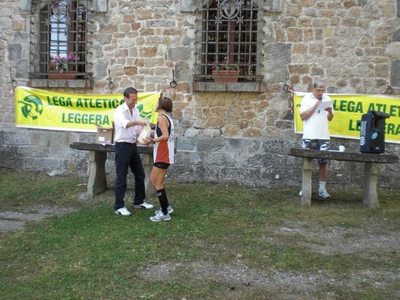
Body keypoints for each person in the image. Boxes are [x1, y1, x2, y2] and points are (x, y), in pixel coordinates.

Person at [113, 87, 154, 216]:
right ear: (125, 98)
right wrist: (138, 122)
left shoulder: (135, 110)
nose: (134, 102)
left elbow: (136, 129)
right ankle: (119, 206)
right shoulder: (119, 110)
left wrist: (144, 132)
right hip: (122, 146)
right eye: (132, 99)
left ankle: (139, 201)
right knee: (121, 178)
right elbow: (125, 124)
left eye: (136, 99)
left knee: (140, 174)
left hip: (132, 146)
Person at [299, 80, 334, 198]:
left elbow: (330, 118)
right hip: (309, 135)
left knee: (323, 163)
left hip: (323, 136)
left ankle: (322, 189)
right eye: (319, 90)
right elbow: (303, 116)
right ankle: (304, 188)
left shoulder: (327, 98)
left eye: (323, 91)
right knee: (306, 162)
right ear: (313, 89)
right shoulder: (306, 98)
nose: (321, 93)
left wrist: (330, 112)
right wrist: (315, 106)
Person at [143, 96, 175, 222]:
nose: (156, 104)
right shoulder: (166, 118)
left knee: (158, 183)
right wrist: (152, 134)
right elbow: (162, 133)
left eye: (157, 102)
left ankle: (165, 212)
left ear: (161, 105)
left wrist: (152, 140)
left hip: (163, 154)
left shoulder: (162, 118)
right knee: (153, 180)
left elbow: (165, 136)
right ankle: (166, 206)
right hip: (161, 154)